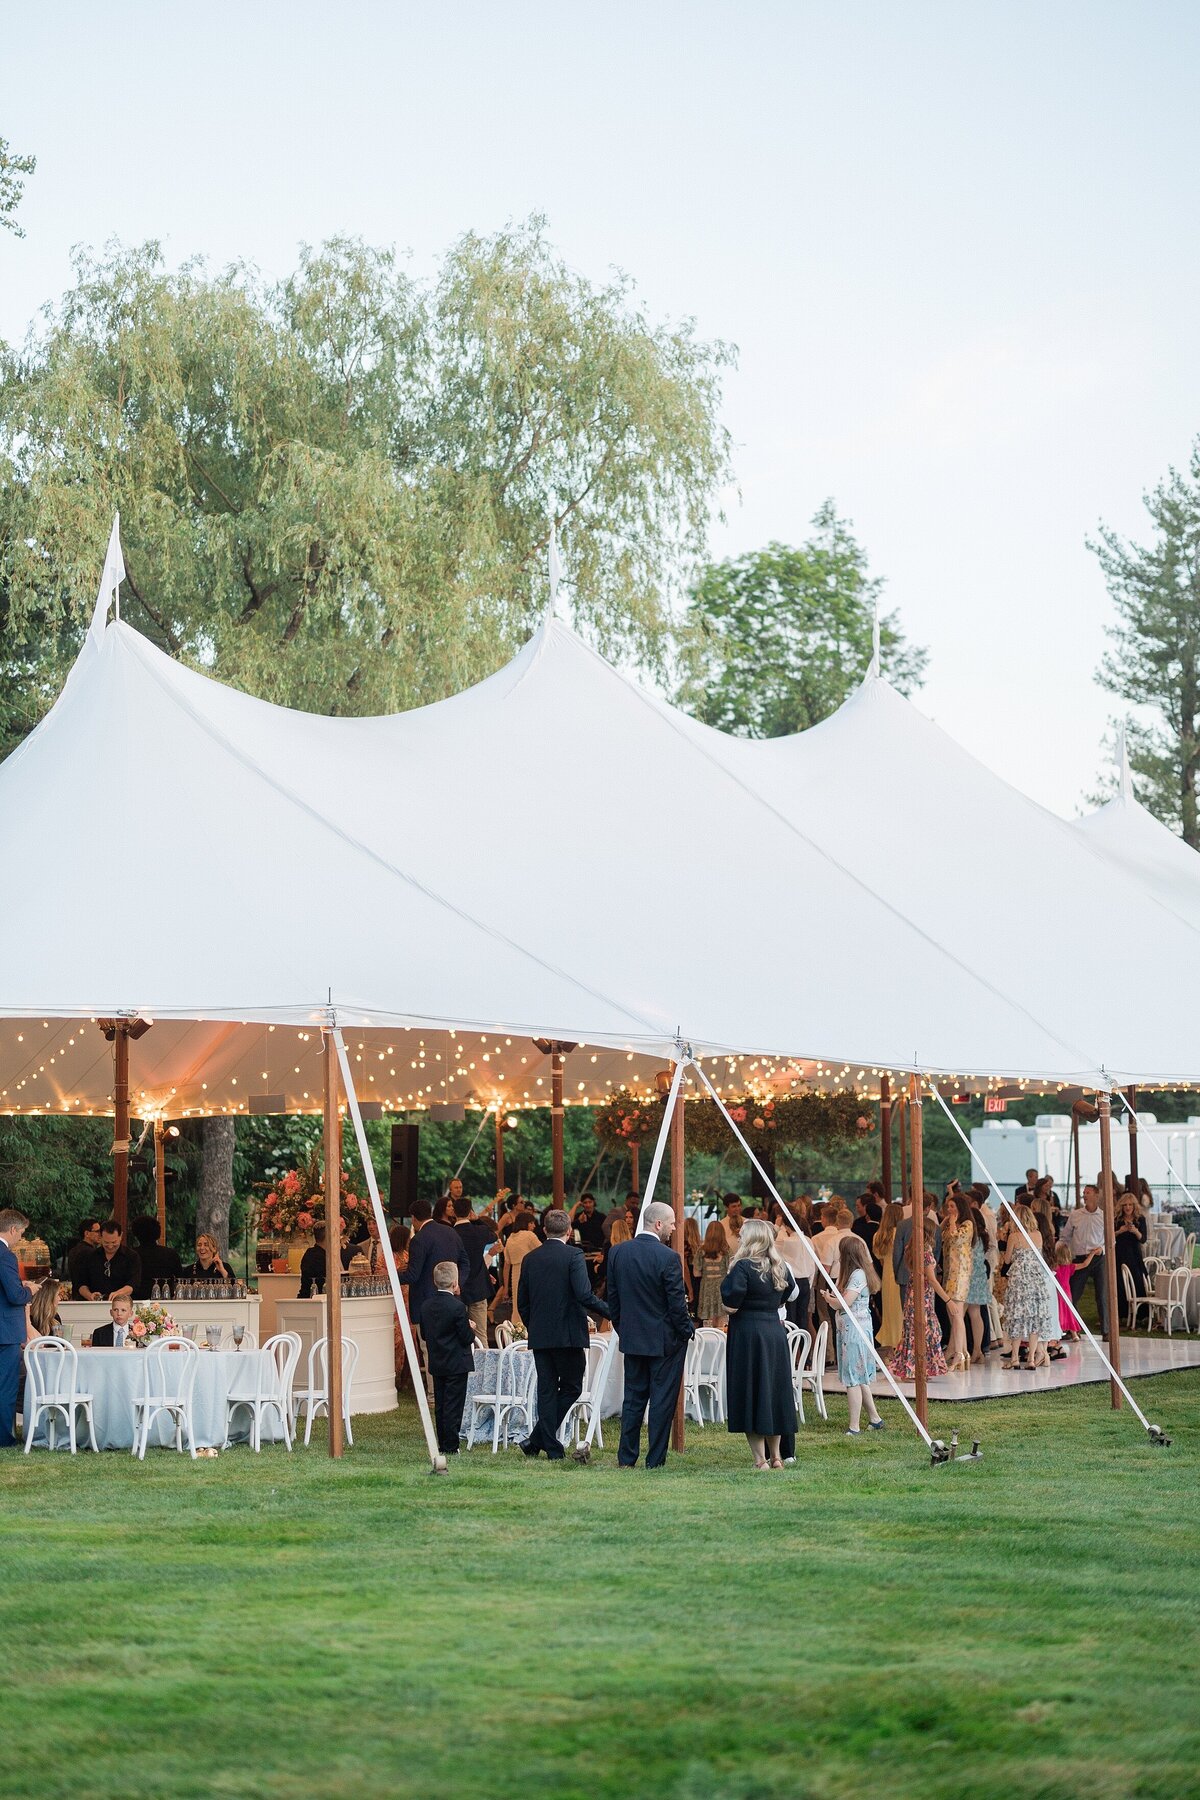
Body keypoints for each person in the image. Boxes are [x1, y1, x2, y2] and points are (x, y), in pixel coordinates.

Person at [516, 1207, 610, 1460]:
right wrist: (612, 1312)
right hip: (568, 1334)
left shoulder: (531, 1258)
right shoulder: (573, 1255)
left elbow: (522, 1301)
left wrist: (533, 1325)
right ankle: (549, 1445)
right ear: (569, 1231)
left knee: (547, 1390)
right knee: (572, 1386)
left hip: (542, 1334)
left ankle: (538, 1441)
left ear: (544, 1230)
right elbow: (584, 1294)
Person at [607, 1199, 695, 1469]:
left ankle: (626, 1458)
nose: (674, 1228)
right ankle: (655, 1460)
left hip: (633, 1338)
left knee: (633, 1400)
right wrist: (687, 1331)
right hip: (665, 1342)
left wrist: (623, 1329)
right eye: (671, 1223)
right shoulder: (668, 1257)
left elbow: (613, 1300)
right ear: (658, 1224)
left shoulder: (618, 1253)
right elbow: (676, 1304)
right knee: (662, 1402)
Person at [720, 1219, 798, 1469]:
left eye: (742, 1235)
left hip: (747, 1333)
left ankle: (759, 1459)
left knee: (750, 1390)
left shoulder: (742, 1267)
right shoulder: (779, 1265)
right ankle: (776, 1456)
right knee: (774, 1390)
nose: (739, 1238)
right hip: (774, 1331)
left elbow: (731, 1304)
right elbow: (788, 1294)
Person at [420, 1261, 478, 1456]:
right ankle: (451, 1445)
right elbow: (466, 1338)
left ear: (434, 1281)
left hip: (437, 1361)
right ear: (455, 1283)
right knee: (454, 1405)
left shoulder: (426, 1305)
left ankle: (443, 1442)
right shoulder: (458, 1307)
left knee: (441, 1404)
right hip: (457, 1362)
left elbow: (425, 1335)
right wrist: (470, 1327)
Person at [832, 1235, 884, 1436]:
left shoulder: (858, 1275)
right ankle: (875, 1419)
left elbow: (844, 1303)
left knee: (853, 1378)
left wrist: (830, 1300)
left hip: (854, 1330)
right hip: (850, 1328)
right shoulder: (852, 1274)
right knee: (859, 1375)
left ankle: (854, 1426)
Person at [1000, 1204, 1058, 1369]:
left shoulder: (1014, 1236)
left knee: (1017, 1318)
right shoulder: (1038, 1235)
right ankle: (1032, 1359)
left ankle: (1015, 1359)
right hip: (1035, 1279)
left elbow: (1007, 1260)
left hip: (1019, 1280)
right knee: (1035, 1320)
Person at [889, 1234, 949, 1381]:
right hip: (923, 1296)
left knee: (914, 1330)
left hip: (914, 1294)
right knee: (926, 1330)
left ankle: (916, 1368)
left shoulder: (912, 1250)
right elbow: (932, 1280)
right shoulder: (925, 1254)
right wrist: (948, 1300)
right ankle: (916, 1369)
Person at [0, 1208, 34, 1447]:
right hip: (5, 1331)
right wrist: (29, 1290)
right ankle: (3, 1438)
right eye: (21, 1233)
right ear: (13, 1229)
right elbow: (15, 1296)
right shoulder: (5, 1256)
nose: (20, 1238)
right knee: (5, 1386)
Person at [1061, 1186, 1108, 1332]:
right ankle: (1074, 1329)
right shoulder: (1075, 1215)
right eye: (1084, 1193)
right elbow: (1065, 1237)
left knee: (1102, 1295)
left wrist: (1102, 1249)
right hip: (1080, 1259)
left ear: (1096, 1195)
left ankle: (1106, 1330)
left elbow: (1111, 1240)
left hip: (1098, 1258)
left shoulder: (1104, 1216)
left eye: (1088, 1193)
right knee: (1072, 1294)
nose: (1085, 1195)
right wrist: (1060, 1252)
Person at [453, 1196, 497, 1347]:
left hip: (458, 1287)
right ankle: (483, 1362)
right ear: (470, 1211)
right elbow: (493, 1234)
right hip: (478, 1286)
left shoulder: (451, 1234)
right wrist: (477, 1219)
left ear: (454, 1212)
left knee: (459, 1334)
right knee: (481, 1334)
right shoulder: (479, 1231)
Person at [941, 1195, 974, 1371]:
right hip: (949, 1273)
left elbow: (955, 1238)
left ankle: (959, 1354)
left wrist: (952, 1222)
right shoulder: (950, 1224)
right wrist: (947, 1221)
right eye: (948, 1206)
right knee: (951, 1313)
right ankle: (960, 1351)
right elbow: (941, 1237)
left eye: (952, 1206)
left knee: (957, 1313)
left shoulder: (967, 1224)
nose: (949, 1210)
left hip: (960, 1273)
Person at [772, 1209, 815, 1332]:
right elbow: (812, 1264)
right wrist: (809, 1283)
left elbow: (769, 1244)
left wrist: (776, 1226)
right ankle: (803, 1343)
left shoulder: (785, 1242)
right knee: (803, 1317)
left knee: (790, 1317)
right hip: (805, 1282)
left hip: (791, 1282)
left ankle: (792, 1343)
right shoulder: (808, 1240)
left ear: (786, 1226)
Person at [77, 1219, 139, 1301]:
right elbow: (81, 1284)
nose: (110, 1246)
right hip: (96, 1304)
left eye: (114, 1242)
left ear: (120, 1236)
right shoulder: (91, 1256)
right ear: (100, 1237)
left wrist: (118, 1294)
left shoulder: (131, 1256)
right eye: (106, 1243)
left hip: (123, 1304)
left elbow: (134, 1283)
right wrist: (90, 1295)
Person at [501, 1209, 541, 1333]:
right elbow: (543, 1251)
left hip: (515, 1274)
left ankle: (519, 1334)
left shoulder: (510, 1238)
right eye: (532, 1223)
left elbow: (506, 1264)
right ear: (526, 1223)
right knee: (533, 1303)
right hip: (531, 1271)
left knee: (518, 1306)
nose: (534, 1226)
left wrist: (505, 1287)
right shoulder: (529, 1235)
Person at [874, 1202, 904, 1350]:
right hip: (901, 1273)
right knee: (900, 1311)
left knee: (889, 1313)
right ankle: (901, 1343)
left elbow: (879, 1257)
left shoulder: (879, 1236)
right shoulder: (900, 1233)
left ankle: (891, 1344)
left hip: (887, 1275)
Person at [130, 1215, 183, 1298]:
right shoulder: (170, 1254)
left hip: (137, 1299)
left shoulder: (131, 1254)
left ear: (136, 1233)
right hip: (165, 1299)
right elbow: (180, 1278)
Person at [964, 1205, 991, 1363]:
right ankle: (977, 1350)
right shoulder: (981, 1237)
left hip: (969, 1278)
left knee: (959, 1316)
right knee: (975, 1314)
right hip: (979, 1277)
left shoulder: (970, 1237)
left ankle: (960, 1350)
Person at [1113, 1193, 1149, 1300]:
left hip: (1134, 1254)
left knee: (1137, 1281)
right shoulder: (1117, 1220)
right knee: (1120, 1282)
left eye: (1130, 1205)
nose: (1127, 1207)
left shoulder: (1140, 1219)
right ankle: (1123, 1308)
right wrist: (1120, 1231)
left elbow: (1143, 1239)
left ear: (1134, 1206)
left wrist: (1136, 1231)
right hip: (1120, 1253)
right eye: (1125, 1205)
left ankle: (1138, 1307)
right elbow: (1109, 1237)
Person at [696, 1220, 730, 1328]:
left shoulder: (701, 1251)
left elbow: (696, 1273)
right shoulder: (726, 1251)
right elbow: (730, 1270)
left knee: (708, 1323)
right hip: (722, 1287)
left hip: (707, 1288)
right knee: (722, 1320)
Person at [64, 1217, 102, 1290]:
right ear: (87, 1233)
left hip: (76, 1293)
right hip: (89, 1294)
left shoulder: (73, 1251)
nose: (100, 1234)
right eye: (97, 1231)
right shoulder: (91, 1252)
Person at [1053, 1242, 1078, 1342]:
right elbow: (1085, 1264)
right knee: (1069, 1312)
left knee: (1059, 1312)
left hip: (1058, 1293)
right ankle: (1074, 1334)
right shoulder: (1070, 1267)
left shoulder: (1055, 1267)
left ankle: (1058, 1334)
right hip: (1067, 1293)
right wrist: (1092, 1254)